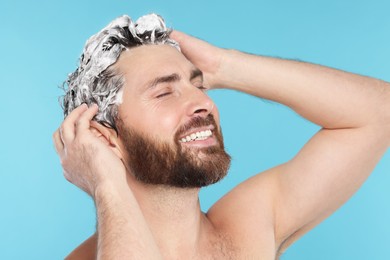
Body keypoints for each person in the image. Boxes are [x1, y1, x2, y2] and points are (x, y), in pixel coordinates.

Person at [53, 13, 390, 259]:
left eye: (198, 85)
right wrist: (106, 185)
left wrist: (224, 67)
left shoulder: (247, 228)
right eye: (164, 93)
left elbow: (379, 112)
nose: (204, 103)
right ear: (106, 138)